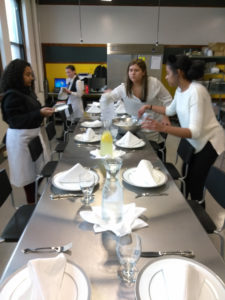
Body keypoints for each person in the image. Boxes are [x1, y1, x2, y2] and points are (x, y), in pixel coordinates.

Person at [139, 54, 225, 203]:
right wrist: (149, 106)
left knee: (195, 185)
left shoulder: (196, 92)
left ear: (178, 73)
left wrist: (162, 128)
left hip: (209, 142)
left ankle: (198, 218)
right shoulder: (180, 90)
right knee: (190, 180)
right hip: (196, 141)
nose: (166, 77)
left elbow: (194, 132)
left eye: (168, 73)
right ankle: (188, 207)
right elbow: (170, 111)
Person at [0, 59, 54, 204]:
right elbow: (14, 121)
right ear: (17, 76)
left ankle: (36, 198)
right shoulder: (11, 95)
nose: (32, 78)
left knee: (39, 170)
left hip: (32, 135)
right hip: (20, 139)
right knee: (28, 176)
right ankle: (31, 203)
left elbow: (34, 109)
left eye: (32, 74)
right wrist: (39, 113)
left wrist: (43, 110)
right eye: (27, 75)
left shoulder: (26, 92)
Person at [100, 59, 172, 159]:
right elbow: (111, 97)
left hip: (153, 129)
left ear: (143, 72)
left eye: (136, 70)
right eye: (130, 70)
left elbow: (168, 100)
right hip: (134, 129)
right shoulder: (124, 87)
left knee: (150, 156)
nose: (133, 73)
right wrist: (107, 95)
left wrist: (165, 116)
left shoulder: (154, 83)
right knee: (134, 156)